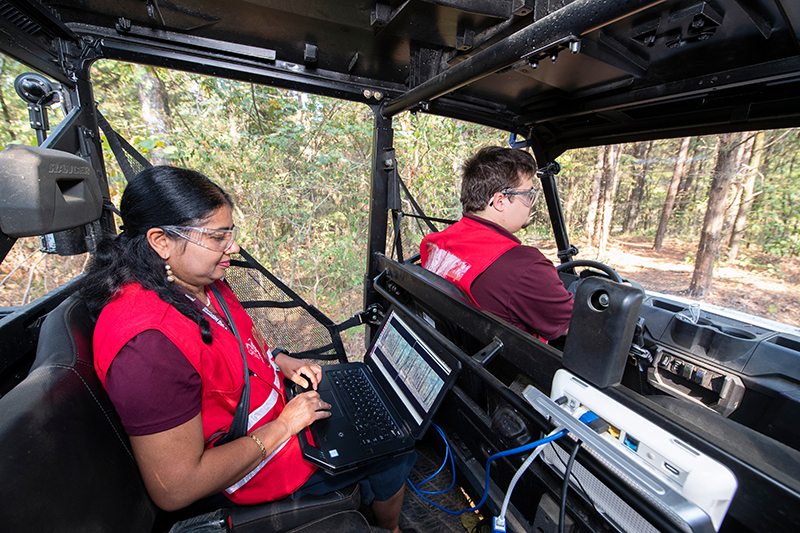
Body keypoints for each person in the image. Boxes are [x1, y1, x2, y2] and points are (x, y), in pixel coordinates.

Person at [80, 166, 414, 533]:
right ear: (161, 241)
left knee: (374, 419)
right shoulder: (148, 345)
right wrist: (285, 426)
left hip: (279, 414)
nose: (233, 248)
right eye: (217, 237)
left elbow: (234, 352)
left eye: (230, 234)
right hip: (247, 470)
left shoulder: (201, 283)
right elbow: (176, 489)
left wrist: (279, 360)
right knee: (396, 445)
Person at [420, 146, 573, 341]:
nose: (532, 203)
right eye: (527, 195)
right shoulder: (525, 266)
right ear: (500, 201)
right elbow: (575, 323)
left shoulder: (440, 241)